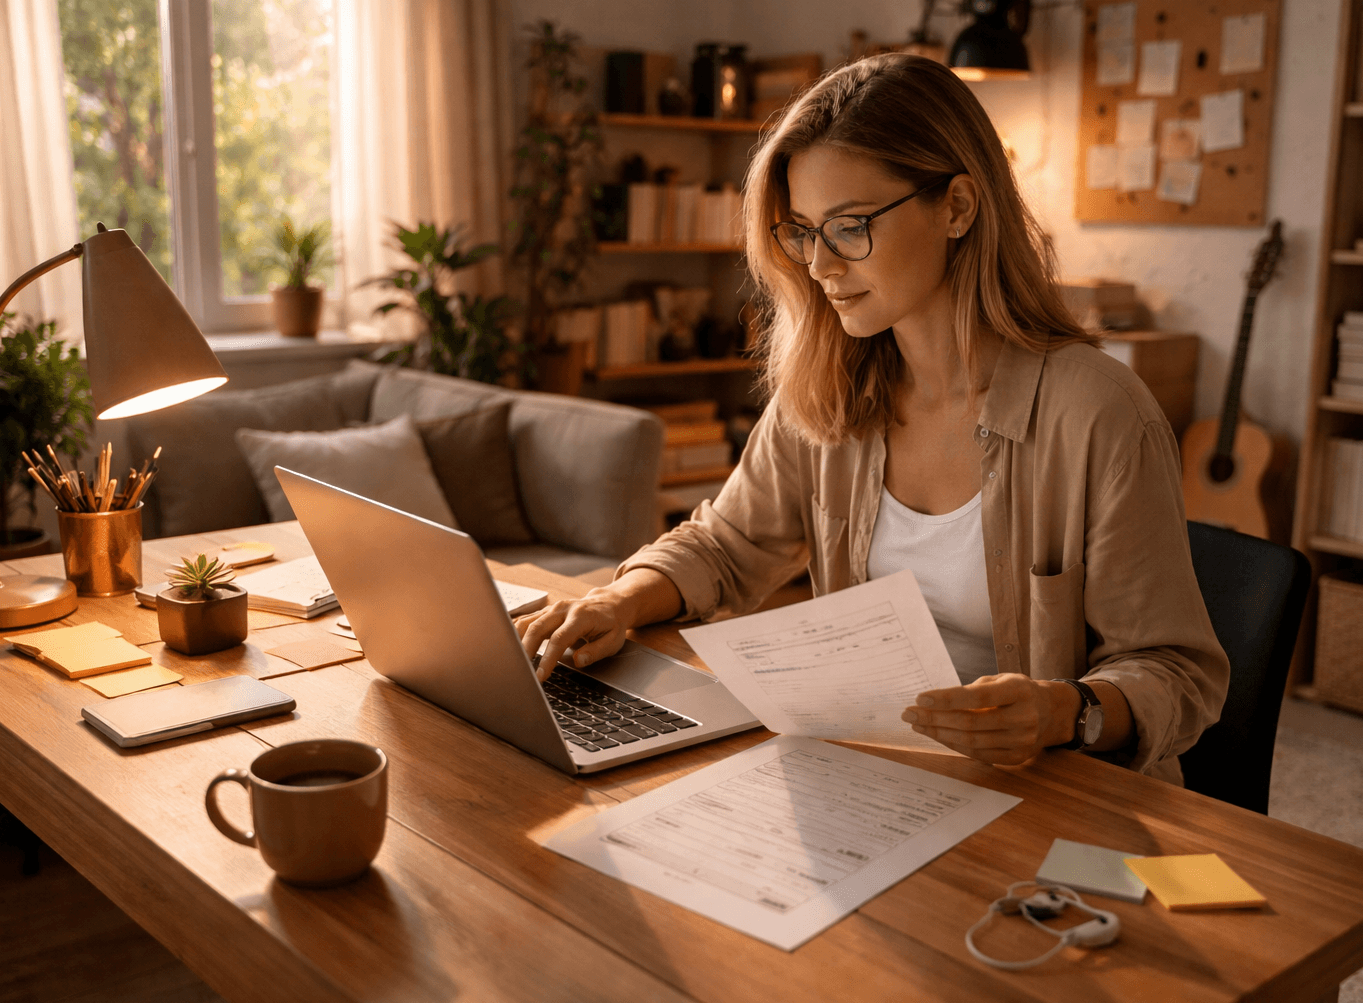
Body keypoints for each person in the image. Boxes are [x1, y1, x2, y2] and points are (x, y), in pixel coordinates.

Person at [516, 53, 1228, 784]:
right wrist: (619, 600)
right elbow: (728, 544)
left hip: (1053, 792)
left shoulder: (1101, 413)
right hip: (875, 772)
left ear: (957, 207)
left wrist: (1064, 711)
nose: (819, 266)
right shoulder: (828, 386)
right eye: (803, 231)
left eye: (850, 227)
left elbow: (1178, 673)